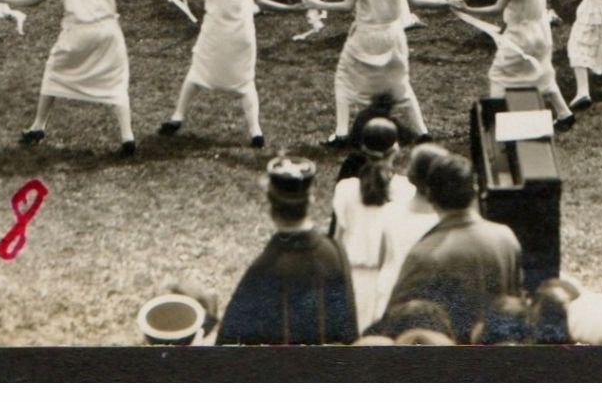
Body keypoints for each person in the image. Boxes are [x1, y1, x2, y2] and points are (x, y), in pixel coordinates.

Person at [0, 0, 148, 155]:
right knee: (116, 80)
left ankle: (38, 125)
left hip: (76, 32)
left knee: (54, 71)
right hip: (108, 31)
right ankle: (127, 136)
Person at [303, 0, 456, 146]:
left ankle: (341, 133)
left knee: (344, 79)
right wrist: (447, 3)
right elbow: (417, 1)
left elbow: (346, 6)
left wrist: (319, 3)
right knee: (401, 82)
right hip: (393, 34)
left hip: (366, 34)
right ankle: (422, 131)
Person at [160, 0, 300, 148]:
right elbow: (261, 1)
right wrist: (292, 9)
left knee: (197, 73)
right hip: (241, 29)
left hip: (215, 28)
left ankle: (178, 115)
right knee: (245, 81)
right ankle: (255, 130)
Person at [218, 157, 358, 346]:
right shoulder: (334, 253)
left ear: (269, 201)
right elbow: (348, 330)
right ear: (311, 199)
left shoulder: (262, 269)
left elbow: (229, 339)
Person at [384, 152, 524, 341]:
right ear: (475, 190)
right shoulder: (506, 238)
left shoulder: (425, 254)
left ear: (430, 195)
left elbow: (395, 321)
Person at [461, 0, 576, 129]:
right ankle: (564, 112)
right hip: (541, 29)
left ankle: (499, 123)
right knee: (542, 71)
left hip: (521, 34)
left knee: (499, 75)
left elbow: (496, 9)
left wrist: (466, 10)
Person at [331, 117, 417, 332]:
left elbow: (336, 240)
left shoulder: (345, 188)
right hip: (389, 281)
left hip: (352, 279)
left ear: (362, 148)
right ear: (395, 149)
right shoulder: (407, 190)